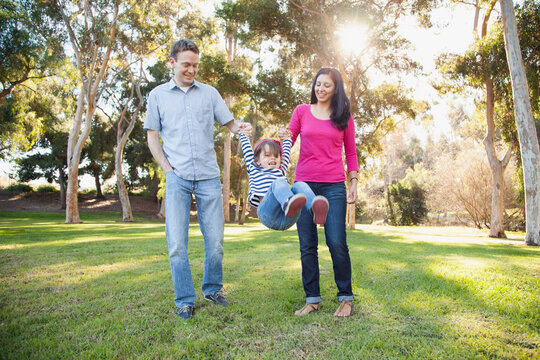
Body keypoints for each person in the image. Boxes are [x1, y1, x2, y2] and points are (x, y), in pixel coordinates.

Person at [144, 39, 252, 320]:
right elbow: (152, 136)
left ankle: (213, 289)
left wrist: (241, 128)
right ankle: (184, 299)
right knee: (177, 244)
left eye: (195, 65)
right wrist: (167, 170)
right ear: (172, 63)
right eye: (186, 65)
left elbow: (230, 124)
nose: (192, 70)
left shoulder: (209, 93)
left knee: (215, 241)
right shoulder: (157, 96)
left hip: (207, 177)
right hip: (177, 177)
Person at [287, 68, 359, 318]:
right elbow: (288, 140)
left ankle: (346, 298)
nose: (321, 89)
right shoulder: (301, 111)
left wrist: (353, 182)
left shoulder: (343, 117)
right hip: (304, 186)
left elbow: (350, 153)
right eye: (318, 84)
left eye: (327, 85)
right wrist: (273, 150)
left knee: (337, 241)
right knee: (307, 245)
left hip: (333, 186)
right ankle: (312, 299)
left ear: (336, 89)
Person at [238, 132, 329, 231]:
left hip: (288, 218)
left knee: (299, 184)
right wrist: (243, 134)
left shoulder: (281, 169)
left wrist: (287, 139)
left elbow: (286, 151)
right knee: (278, 182)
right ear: (257, 161)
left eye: (276, 156)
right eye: (267, 155)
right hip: (268, 214)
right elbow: (247, 150)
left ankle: (315, 208)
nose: (273, 157)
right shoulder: (254, 168)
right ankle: (288, 203)